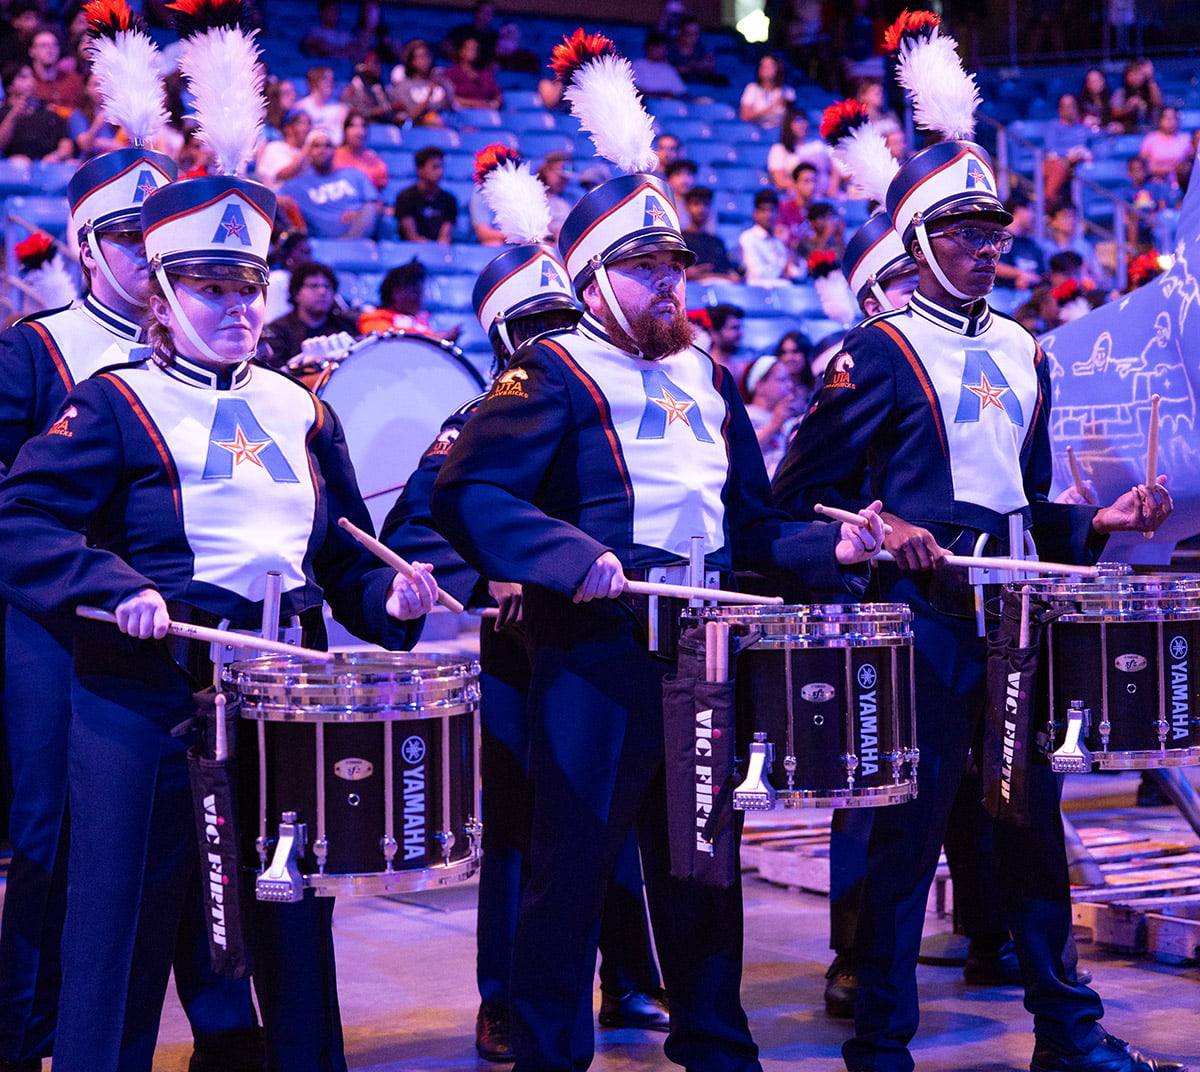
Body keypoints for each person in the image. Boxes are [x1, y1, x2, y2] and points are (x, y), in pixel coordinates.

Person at [431, 161, 885, 1072]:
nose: (668, 280)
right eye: (645, 266)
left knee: (704, 870)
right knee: (568, 876)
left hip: (702, 659)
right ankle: (550, 1055)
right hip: (596, 658)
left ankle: (719, 1046)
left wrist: (826, 550)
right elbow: (468, 491)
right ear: (593, 278)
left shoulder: (711, 379)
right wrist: (568, 559)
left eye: (675, 263)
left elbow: (753, 526)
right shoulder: (550, 371)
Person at [0, 162, 438, 1072]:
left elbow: (338, 552)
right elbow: (18, 518)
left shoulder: (301, 407)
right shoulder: (115, 402)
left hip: (283, 693)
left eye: (249, 286)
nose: (237, 305)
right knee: (123, 929)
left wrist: (388, 598)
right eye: (210, 286)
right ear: (160, 292)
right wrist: (110, 583)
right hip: (145, 700)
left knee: (290, 920)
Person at [772, 113, 1179, 1072]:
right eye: (964, 233)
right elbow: (794, 500)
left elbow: (1028, 502)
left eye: (996, 232)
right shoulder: (873, 351)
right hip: (918, 625)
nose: (988, 250)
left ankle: (1068, 1035)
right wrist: (875, 524)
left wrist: (1099, 523)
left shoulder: (1028, 348)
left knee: (1032, 834)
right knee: (903, 847)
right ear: (916, 243)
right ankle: (880, 1045)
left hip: (1012, 626)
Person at [0, 72, 269, 1068]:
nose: (141, 251)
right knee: (49, 836)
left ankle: (219, 1029)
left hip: (177, 633)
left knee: (202, 831)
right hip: (54, 616)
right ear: (86, 247)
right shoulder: (37, 350)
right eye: (125, 237)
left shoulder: (225, 359)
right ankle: (29, 1031)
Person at [382, 200, 668, 1059]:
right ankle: (505, 997)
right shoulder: (475, 417)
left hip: (604, 635)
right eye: (535, 322)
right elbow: (415, 526)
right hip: (519, 650)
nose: (555, 331)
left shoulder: (615, 390)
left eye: (562, 316)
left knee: (610, 821)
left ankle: (627, 978)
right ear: (503, 332)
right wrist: (489, 578)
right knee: (520, 826)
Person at [278, 129, 381, 239]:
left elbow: (377, 203)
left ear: (335, 150)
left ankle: (352, 242)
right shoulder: (296, 185)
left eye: (327, 146)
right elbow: (271, 198)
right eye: (317, 146)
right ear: (308, 152)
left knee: (371, 208)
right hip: (325, 241)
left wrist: (360, 215)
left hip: (364, 232)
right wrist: (282, 201)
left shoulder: (354, 174)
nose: (322, 150)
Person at [260, 260, 358, 368]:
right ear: (296, 293)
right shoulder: (277, 331)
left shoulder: (345, 326)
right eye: (314, 286)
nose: (322, 291)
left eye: (327, 286)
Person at [356, 259, 457, 341]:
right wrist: (432, 340)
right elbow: (385, 342)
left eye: (421, 294)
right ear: (396, 292)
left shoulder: (420, 322)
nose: (419, 300)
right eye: (415, 294)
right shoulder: (374, 317)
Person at [0, 61, 74, 163]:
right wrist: (13, 115)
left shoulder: (49, 112)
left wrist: (56, 156)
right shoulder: (3, 113)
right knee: (19, 163)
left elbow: (66, 143)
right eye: (23, 77)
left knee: (72, 163)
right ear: (9, 87)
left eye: (31, 76)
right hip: (15, 169)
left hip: (48, 165)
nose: (31, 81)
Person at [393, 146, 457, 243]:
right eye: (435, 167)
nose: (440, 172)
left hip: (440, 253)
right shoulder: (405, 198)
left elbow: (445, 237)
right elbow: (411, 236)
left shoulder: (449, 199)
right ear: (420, 170)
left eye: (441, 167)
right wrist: (430, 249)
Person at [739, 189, 802, 285]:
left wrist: (788, 245)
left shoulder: (780, 240)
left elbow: (799, 273)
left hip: (783, 290)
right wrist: (783, 270)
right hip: (758, 292)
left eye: (772, 210)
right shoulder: (748, 238)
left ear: (778, 213)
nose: (768, 215)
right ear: (755, 214)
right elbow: (758, 274)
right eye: (763, 210)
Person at [389, 39, 454, 127]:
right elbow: (411, 116)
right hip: (418, 128)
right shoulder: (404, 85)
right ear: (411, 61)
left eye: (426, 55)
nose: (424, 60)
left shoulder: (441, 82)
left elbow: (451, 110)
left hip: (443, 125)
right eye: (419, 57)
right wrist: (429, 93)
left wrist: (444, 88)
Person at [681, 186, 741, 282]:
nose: (701, 209)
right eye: (696, 204)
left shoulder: (717, 241)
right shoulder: (680, 239)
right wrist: (685, 274)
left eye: (706, 204)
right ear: (687, 207)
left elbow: (729, 272)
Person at [27, 27, 84, 119]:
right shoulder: (26, 81)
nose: (50, 50)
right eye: (43, 46)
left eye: (54, 45)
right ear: (32, 51)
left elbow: (84, 110)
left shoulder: (74, 80)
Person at [253, 108, 311, 191]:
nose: (307, 127)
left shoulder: (309, 154)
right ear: (288, 128)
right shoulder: (275, 148)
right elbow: (284, 174)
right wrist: (307, 147)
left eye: (309, 123)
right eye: (302, 123)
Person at [333, 110, 388, 192]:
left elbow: (379, 187)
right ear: (345, 131)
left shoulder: (374, 160)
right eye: (353, 126)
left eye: (363, 126)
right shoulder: (333, 156)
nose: (359, 132)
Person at [443, 35, 502, 111]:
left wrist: (495, 104)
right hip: (461, 113)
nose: (474, 51)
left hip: (486, 114)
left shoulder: (486, 73)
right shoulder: (451, 72)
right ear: (461, 51)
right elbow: (450, 98)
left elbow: (498, 96)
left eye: (476, 49)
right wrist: (479, 104)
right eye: (469, 48)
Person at [1139, 105, 1192, 187]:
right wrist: (1166, 171)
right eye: (1167, 118)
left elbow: (1190, 162)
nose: (1171, 122)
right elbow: (1142, 165)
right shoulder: (1150, 139)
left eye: (1173, 118)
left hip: (1182, 183)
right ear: (1160, 120)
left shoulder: (1186, 138)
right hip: (1155, 182)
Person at [739, 53, 794, 129]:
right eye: (763, 66)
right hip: (756, 131)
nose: (765, 70)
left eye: (770, 67)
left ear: (778, 68)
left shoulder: (788, 91)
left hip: (780, 131)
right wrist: (771, 107)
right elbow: (745, 116)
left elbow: (791, 118)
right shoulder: (752, 88)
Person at [295, 65, 348, 144]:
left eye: (332, 80)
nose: (331, 84)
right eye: (326, 80)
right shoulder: (300, 107)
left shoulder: (342, 109)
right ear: (313, 82)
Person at [630, 31, 686, 99]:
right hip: (645, 104)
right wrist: (659, 94)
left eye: (663, 48)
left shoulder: (668, 68)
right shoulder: (638, 65)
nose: (661, 51)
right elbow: (634, 89)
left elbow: (682, 92)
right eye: (658, 47)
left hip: (669, 105)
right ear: (649, 48)